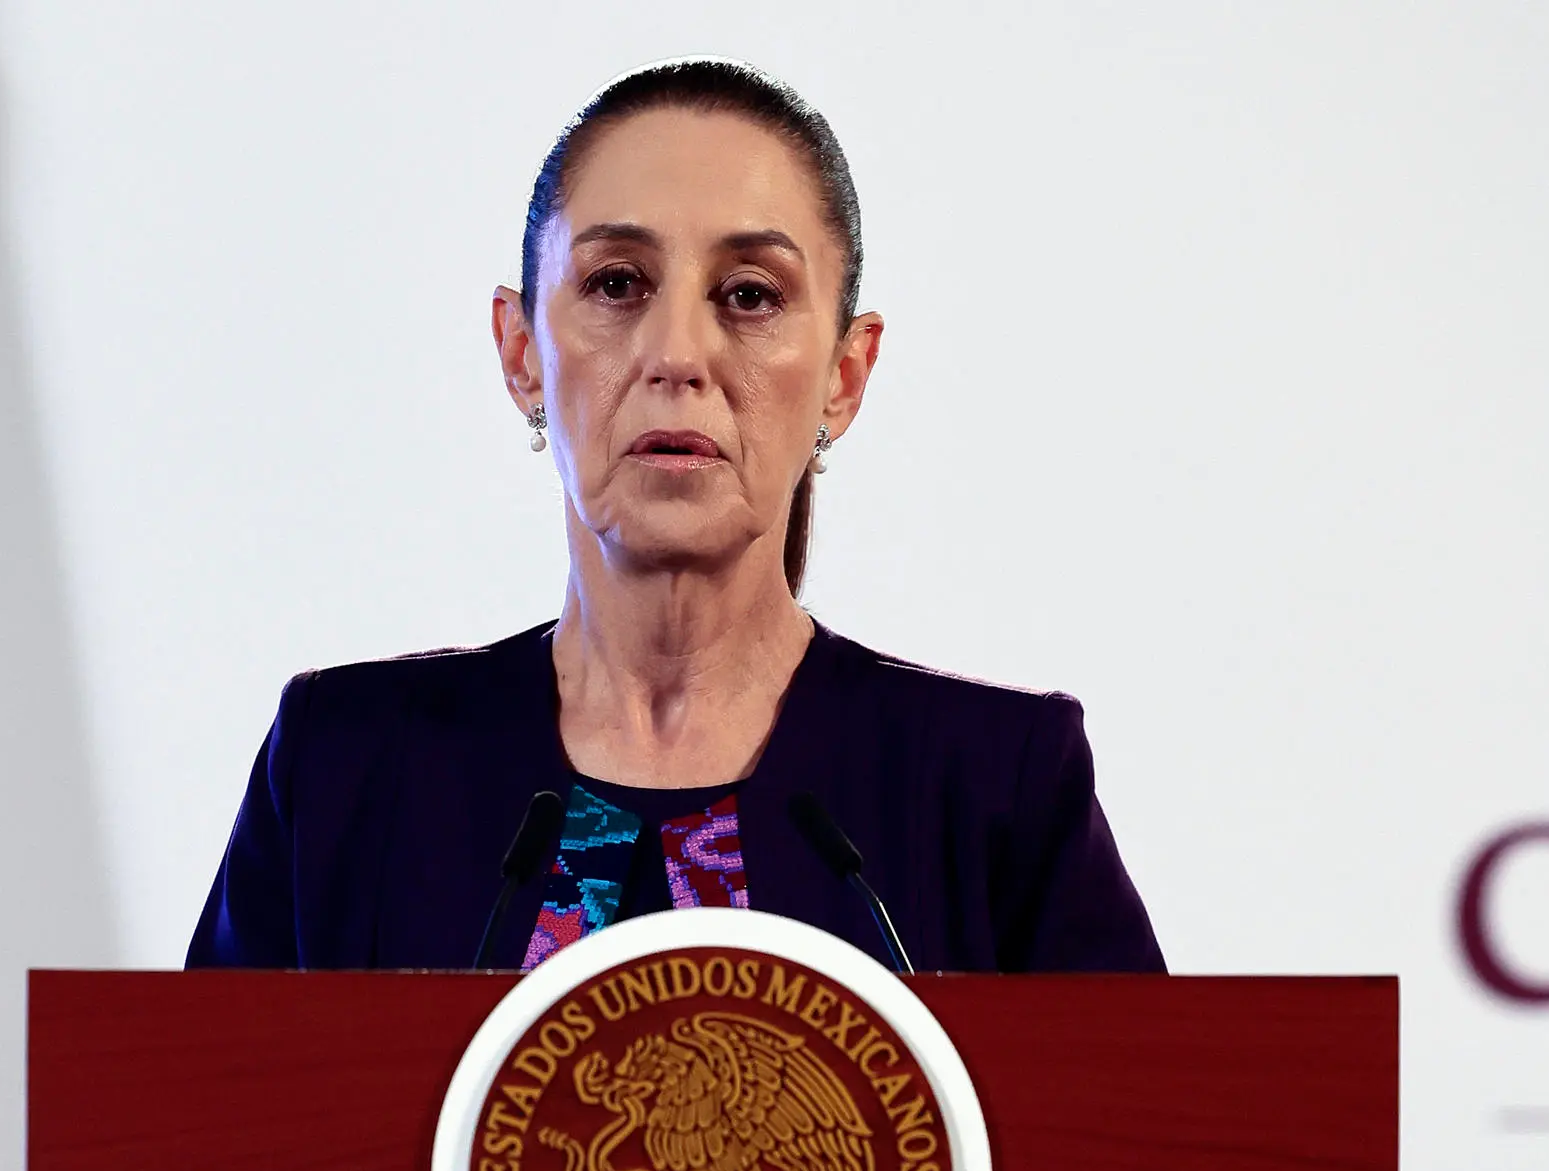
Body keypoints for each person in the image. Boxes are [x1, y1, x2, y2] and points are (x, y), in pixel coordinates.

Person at [186, 58, 1164, 974]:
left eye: (749, 295)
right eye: (617, 284)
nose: (677, 356)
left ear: (845, 373)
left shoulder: (998, 788)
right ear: (521, 352)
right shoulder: (344, 769)